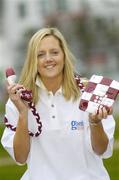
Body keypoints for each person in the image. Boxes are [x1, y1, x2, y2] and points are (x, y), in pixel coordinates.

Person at [1, 27, 115, 180]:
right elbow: (20, 157)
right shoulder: (18, 100)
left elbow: (101, 150)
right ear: (32, 60)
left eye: (54, 52)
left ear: (64, 55)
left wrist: (95, 122)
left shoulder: (91, 91)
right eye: (40, 54)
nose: (48, 59)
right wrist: (23, 114)